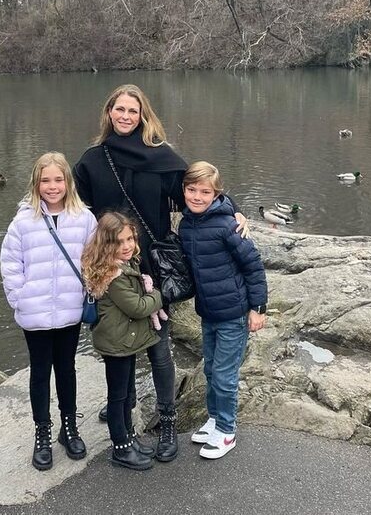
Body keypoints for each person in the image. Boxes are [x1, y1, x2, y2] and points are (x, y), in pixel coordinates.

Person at [74, 84, 248, 462]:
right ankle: (124, 407)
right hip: (111, 268)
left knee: (158, 348)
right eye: (118, 109)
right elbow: (74, 207)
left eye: (132, 111)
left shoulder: (160, 156)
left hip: (152, 266)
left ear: (143, 116)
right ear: (108, 113)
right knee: (117, 342)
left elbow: (196, 189)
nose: (125, 116)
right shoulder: (91, 161)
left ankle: (167, 422)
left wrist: (230, 209)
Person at [0, 152, 98, 471]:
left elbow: (94, 259)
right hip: (35, 312)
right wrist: (20, 298)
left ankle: (68, 429)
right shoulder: (23, 222)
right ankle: (41, 432)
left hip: (69, 310)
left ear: (68, 182)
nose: (52, 186)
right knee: (40, 372)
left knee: (67, 369)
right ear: (36, 183)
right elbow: (11, 263)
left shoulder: (84, 218)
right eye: (46, 180)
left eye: (58, 180)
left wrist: (88, 289)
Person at [179, 161, 267, 460]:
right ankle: (215, 418)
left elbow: (253, 266)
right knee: (209, 369)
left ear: (217, 194)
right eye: (192, 190)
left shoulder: (229, 225)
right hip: (208, 312)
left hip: (233, 312)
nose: (197, 196)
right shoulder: (186, 223)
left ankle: (227, 430)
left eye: (205, 192)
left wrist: (257, 308)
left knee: (224, 375)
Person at [81, 212, 163, 471]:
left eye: (130, 238)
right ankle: (120, 447)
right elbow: (138, 307)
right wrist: (160, 296)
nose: (127, 245)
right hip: (116, 344)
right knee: (118, 397)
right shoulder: (114, 276)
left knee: (128, 394)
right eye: (119, 241)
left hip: (124, 341)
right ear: (107, 245)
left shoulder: (126, 265)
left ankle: (129, 437)